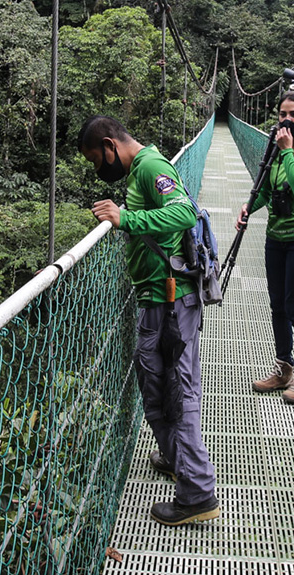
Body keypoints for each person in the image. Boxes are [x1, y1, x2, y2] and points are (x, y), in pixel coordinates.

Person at [77, 116, 219, 526]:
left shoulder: (153, 168)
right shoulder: (141, 170)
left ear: (110, 144)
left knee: (178, 392)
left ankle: (198, 494)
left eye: (95, 160)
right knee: (155, 383)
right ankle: (178, 460)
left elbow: (183, 215)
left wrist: (126, 219)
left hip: (170, 302)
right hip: (157, 299)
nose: (98, 169)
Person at [236, 88, 294, 404]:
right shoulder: (275, 147)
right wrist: (250, 208)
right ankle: (283, 369)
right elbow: (269, 190)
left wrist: (287, 151)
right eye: (282, 115)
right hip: (276, 237)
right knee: (277, 305)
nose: (286, 121)